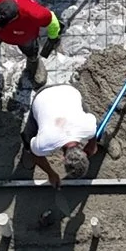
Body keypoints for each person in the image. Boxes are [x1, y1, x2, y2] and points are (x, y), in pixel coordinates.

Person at [24, 82, 98, 225]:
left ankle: (104, 140)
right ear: (63, 158)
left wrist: (92, 144)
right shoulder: (44, 144)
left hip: (69, 91)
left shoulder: (88, 128)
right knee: (28, 138)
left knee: (90, 118)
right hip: (43, 96)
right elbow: (36, 155)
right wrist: (51, 173)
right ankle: (25, 150)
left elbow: (94, 129)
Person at [0, 0, 62, 93]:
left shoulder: (35, 13)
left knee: (30, 50)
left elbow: (52, 20)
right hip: (2, 33)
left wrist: (53, 37)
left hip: (25, 38)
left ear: (14, 19)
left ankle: (33, 62)